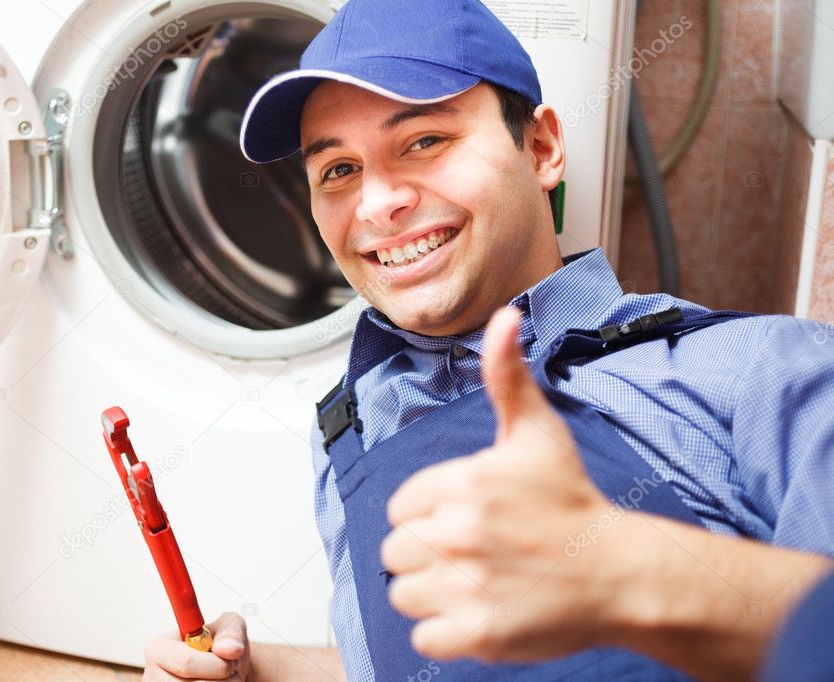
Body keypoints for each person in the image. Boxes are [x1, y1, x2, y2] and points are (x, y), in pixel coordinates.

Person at [142, 0, 834, 680]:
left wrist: (644, 574)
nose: (377, 203)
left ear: (540, 148)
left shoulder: (764, 372)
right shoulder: (349, 431)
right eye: (339, 170)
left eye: (424, 141)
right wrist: (256, 671)